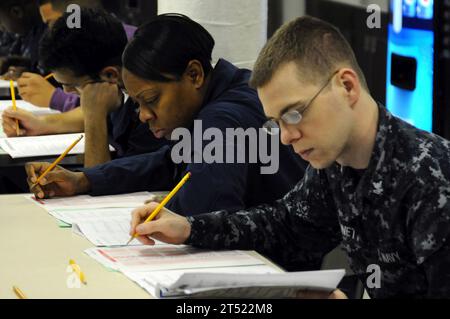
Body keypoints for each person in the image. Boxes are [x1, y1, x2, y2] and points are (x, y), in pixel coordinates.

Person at [127, 16, 450, 299]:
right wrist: (189, 229)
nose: (285, 136)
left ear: (347, 87)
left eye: (294, 114)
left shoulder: (431, 179)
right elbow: (287, 224)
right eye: (276, 122)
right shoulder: (336, 163)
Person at [25, 14, 307, 216]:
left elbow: (202, 217)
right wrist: (85, 180)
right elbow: (170, 159)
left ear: (194, 75)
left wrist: (169, 207)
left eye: (151, 101)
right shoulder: (229, 86)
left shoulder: (221, 119)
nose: (145, 115)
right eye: (136, 104)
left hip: (274, 270)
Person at [2, 8, 165, 169]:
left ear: (110, 75)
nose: (66, 92)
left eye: (72, 85)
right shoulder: (117, 85)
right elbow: (93, 110)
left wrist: (95, 117)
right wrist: (42, 123)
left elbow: (97, 179)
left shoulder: (150, 116)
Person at [17, 0, 134, 111]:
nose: (51, 30)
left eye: (52, 23)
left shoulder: (130, 49)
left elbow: (97, 108)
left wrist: (55, 98)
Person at [0, 0, 47, 77]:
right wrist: (9, 62)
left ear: (16, 12)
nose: (1, 29)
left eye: (0, 21)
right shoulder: (30, 31)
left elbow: (58, 75)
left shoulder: (50, 30)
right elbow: (34, 62)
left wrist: (33, 74)